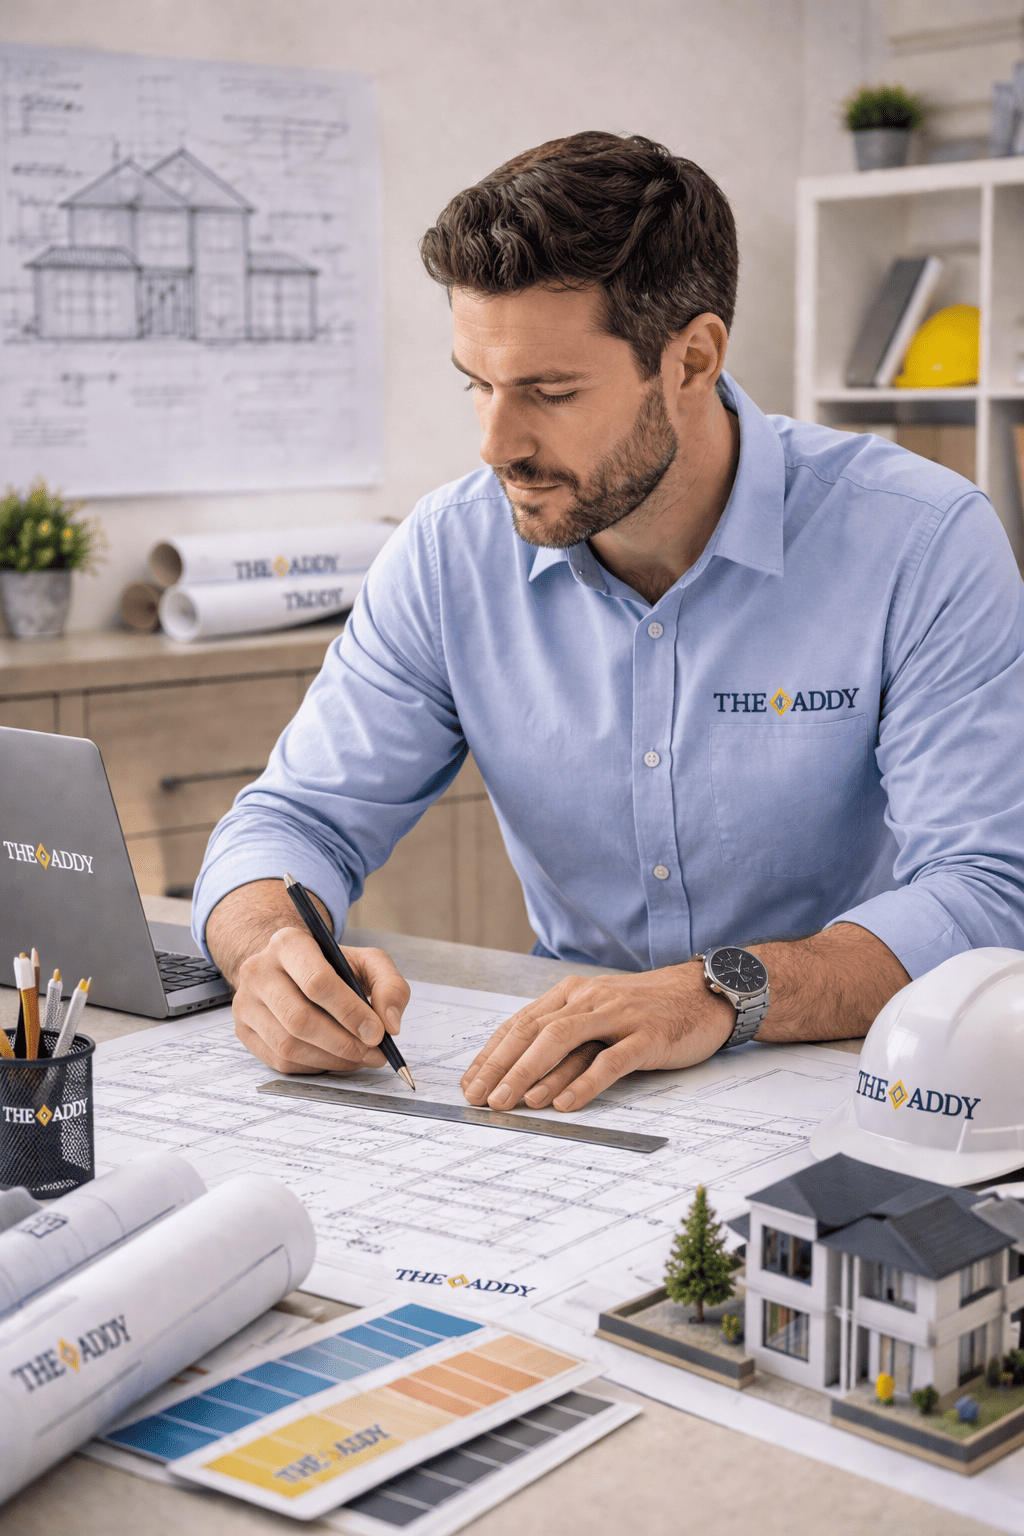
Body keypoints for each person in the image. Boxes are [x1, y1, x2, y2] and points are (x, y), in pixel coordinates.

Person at [195, 132, 1024, 1115]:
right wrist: (266, 950)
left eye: (549, 393)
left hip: (857, 1066)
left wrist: (716, 991)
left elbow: (984, 895)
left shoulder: (920, 539)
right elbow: (294, 821)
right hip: (565, 1076)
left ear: (693, 358)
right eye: (477, 382)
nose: (495, 442)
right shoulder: (448, 549)